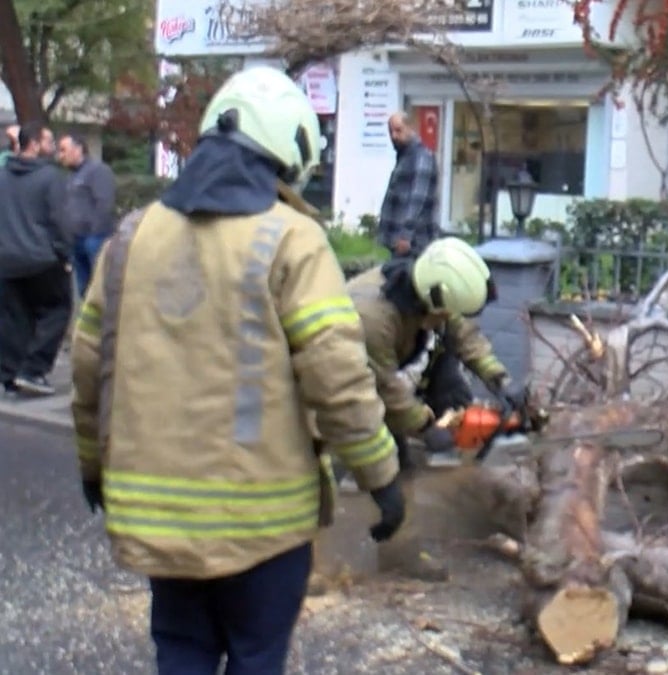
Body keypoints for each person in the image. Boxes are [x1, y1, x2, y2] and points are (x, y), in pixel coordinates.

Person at [69, 66, 407, 675]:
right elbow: (338, 377)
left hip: (156, 519)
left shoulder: (130, 236)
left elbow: (91, 366)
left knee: (182, 652)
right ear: (290, 152)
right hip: (263, 524)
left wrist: (93, 464)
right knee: (256, 657)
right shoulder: (292, 240)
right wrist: (382, 476)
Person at [346, 237, 522, 470]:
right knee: (386, 461)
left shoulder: (431, 287)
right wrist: (425, 427)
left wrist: (499, 379)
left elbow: (464, 334)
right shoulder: (373, 321)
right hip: (346, 384)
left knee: (451, 386)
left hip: (388, 366)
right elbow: (385, 388)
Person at [0, 122, 71, 396]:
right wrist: (63, 252)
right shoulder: (51, 177)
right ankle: (32, 369)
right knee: (57, 309)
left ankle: (9, 373)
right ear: (33, 144)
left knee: (14, 319)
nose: (53, 147)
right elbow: (60, 220)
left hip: (7, 259)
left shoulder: (3, 176)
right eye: (49, 141)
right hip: (42, 258)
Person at [58, 132, 117, 297]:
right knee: (84, 288)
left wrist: (94, 233)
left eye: (63, 150)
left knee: (99, 288)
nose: (60, 155)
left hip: (94, 238)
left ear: (78, 149)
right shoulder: (70, 176)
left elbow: (105, 204)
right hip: (76, 239)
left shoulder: (98, 171)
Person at [377, 111, 439, 259]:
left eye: (398, 130)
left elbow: (417, 199)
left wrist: (406, 235)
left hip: (414, 243)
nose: (394, 136)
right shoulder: (405, 156)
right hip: (401, 241)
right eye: (390, 131)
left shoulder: (421, 157)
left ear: (411, 128)